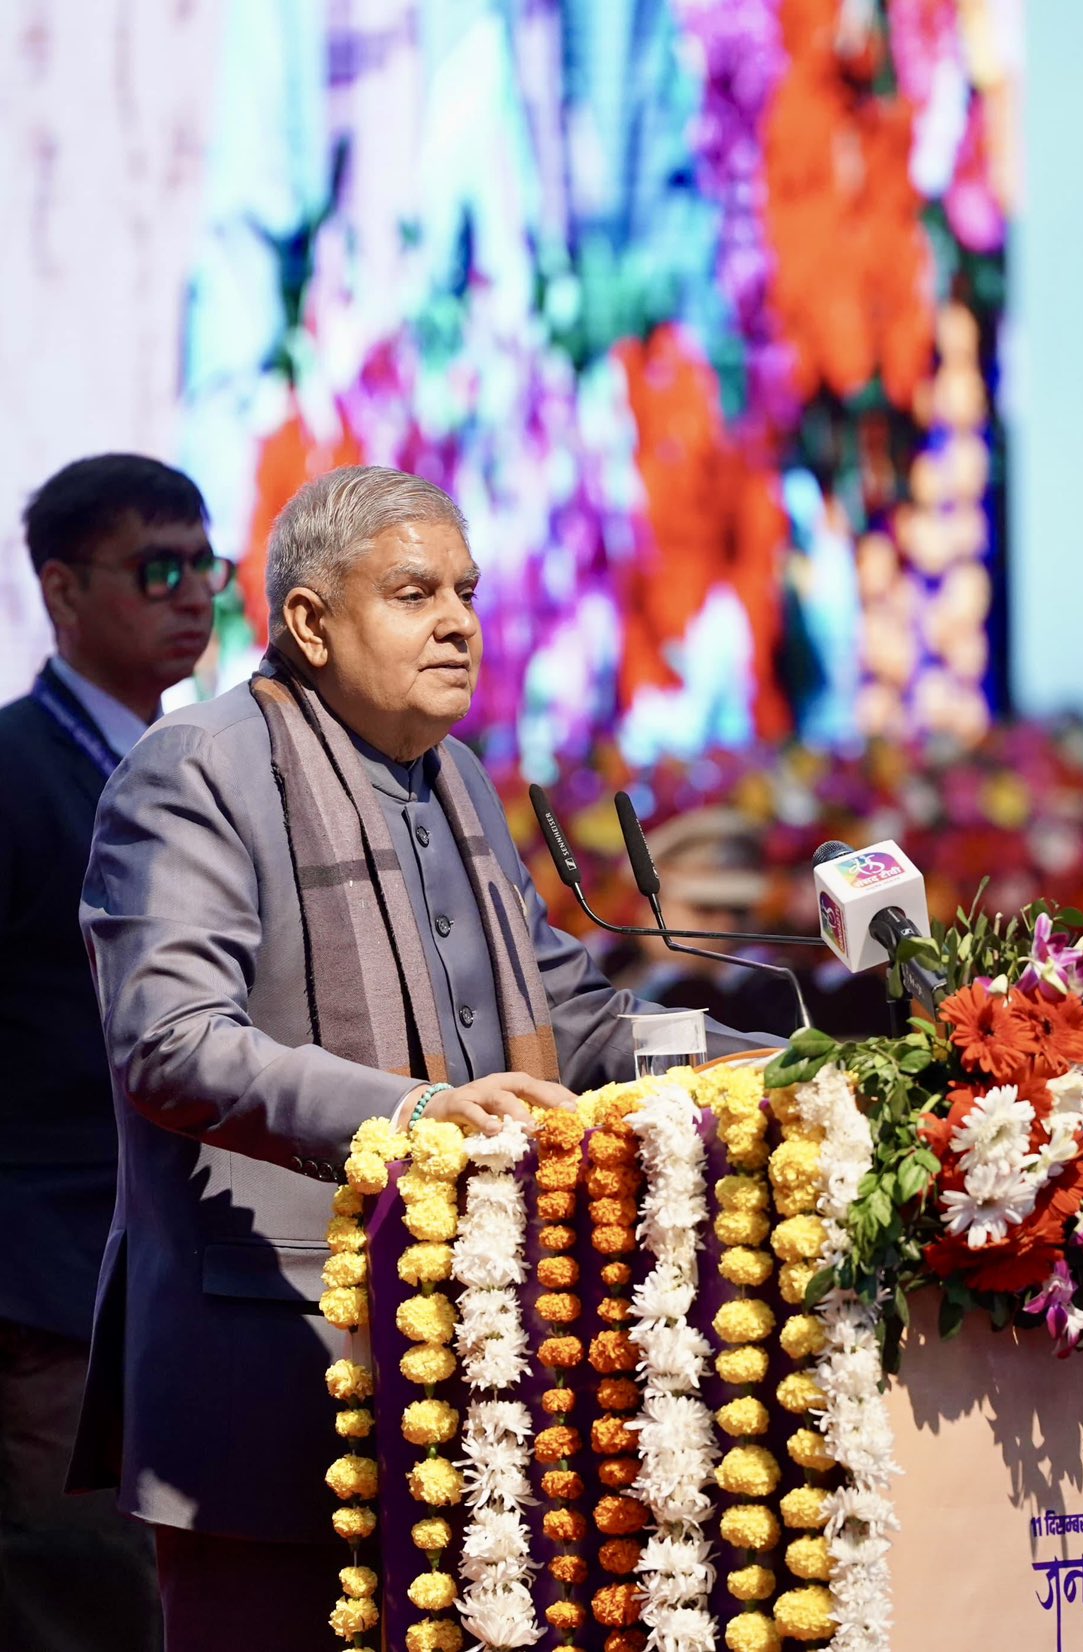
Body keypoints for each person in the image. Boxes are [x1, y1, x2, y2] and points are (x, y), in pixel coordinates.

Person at [70, 467, 774, 1650]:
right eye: (412, 592)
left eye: (466, 590)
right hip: (272, 1376)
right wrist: (420, 1110)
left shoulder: (451, 780)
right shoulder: (196, 766)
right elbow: (171, 1041)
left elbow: (577, 1019)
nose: (459, 620)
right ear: (309, 622)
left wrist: (793, 1064)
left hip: (474, 1362)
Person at [1, 454, 219, 1650]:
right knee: (72, 1595)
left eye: (204, 566)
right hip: (41, 1277)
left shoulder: (192, 763)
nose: (192, 595)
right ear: (62, 590)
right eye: (157, 568)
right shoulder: (14, 767)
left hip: (170, 1267)